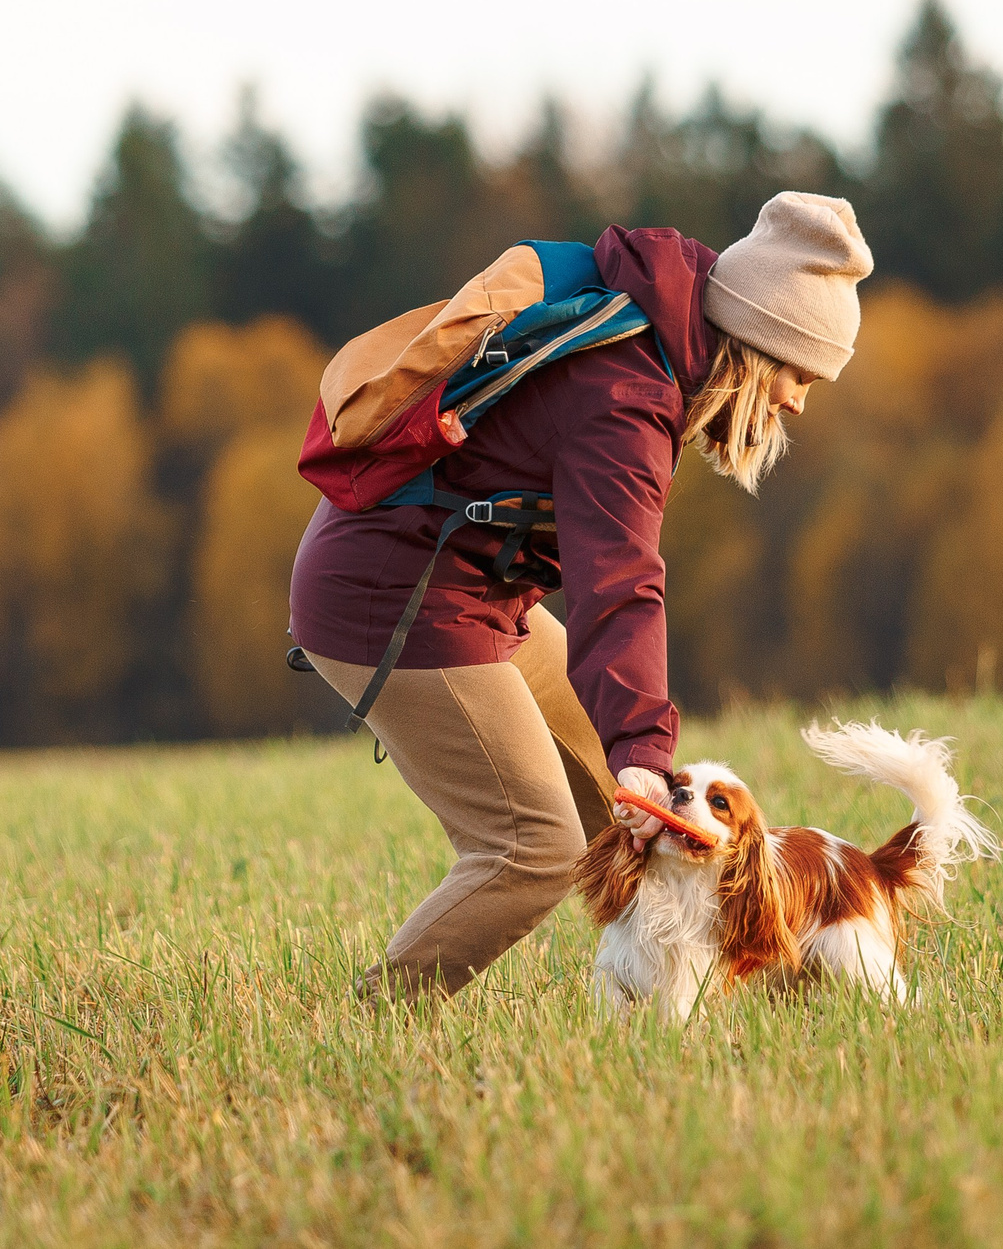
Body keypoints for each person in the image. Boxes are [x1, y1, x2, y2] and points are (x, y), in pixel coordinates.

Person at [288, 191, 874, 998]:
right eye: (799, 373)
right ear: (758, 342)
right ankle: (368, 1020)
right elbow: (620, 584)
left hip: (478, 591)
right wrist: (642, 750)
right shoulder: (627, 401)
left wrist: (634, 764)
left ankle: (699, 1001)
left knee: (628, 820)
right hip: (394, 594)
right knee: (533, 848)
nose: (796, 400)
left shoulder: (657, 328)